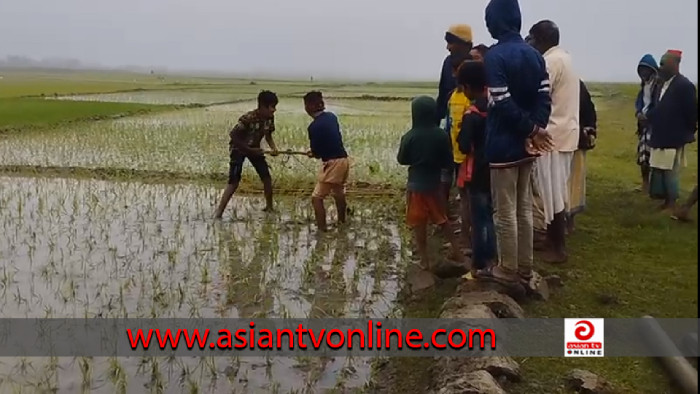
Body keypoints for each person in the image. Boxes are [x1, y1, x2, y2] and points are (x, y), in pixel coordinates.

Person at [476, 0, 553, 287]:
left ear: (497, 21)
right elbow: (545, 97)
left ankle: (507, 268)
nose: (487, 24)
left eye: (489, 19)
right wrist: (535, 130)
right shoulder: (535, 55)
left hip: (502, 142)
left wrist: (530, 128)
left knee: (505, 209)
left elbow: (502, 100)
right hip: (527, 145)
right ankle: (525, 266)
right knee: (523, 206)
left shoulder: (495, 56)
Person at [526, 20, 580, 264]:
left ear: (540, 39)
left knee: (552, 193)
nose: (529, 43)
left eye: (531, 38)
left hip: (552, 136)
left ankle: (558, 248)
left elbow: (539, 96)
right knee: (556, 191)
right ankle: (552, 240)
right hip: (564, 133)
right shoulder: (565, 58)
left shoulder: (550, 62)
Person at [398, 96, 463, 271]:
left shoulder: (410, 136)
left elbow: (402, 159)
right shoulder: (441, 135)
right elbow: (448, 161)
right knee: (442, 219)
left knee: (419, 224)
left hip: (416, 186)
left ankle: (424, 260)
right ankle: (458, 252)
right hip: (435, 185)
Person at [455, 60, 497, 277]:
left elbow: (463, 145)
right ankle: (494, 259)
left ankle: (480, 264)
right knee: (493, 215)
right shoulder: (494, 105)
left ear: (468, 87)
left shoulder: (472, 113)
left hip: (477, 170)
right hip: (497, 167)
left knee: (479, 218)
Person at [214, 90, 279, 218]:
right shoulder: (248, 118)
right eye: (272, 107)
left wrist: (273, 148)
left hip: (254, 148)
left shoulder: (269, 118)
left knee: (266, 177)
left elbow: (268, 135)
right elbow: (233, 135)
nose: (274, 110)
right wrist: (249, 150)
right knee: (234, 182)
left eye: (275, 107)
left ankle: (269, 207)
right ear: (262, 106)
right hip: (238, 149)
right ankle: (218, 213)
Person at [647, 50, 698, 211]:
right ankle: (665, 200)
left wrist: (687, 132)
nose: (660, 66)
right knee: (659, 168)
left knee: (670, 170)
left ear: (675, 64)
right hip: (659, 133)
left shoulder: (685, 85)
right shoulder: (661, 84)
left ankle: (672, 202)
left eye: (664, 63)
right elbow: (658, 107)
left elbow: (691, 113)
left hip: (674, 135)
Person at [303, 91, 350, 232]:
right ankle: (342, 222)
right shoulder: (331, 117)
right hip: (344, 160)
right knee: (338, 192)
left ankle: (321, 230)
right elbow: (330, 140)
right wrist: (317, 152)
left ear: (310, 106)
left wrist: (313, 153)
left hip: (332, 163)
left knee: (316, 198)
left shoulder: (313, 127)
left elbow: (317, 153)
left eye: (305, 105)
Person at [445, 52, 474, 243]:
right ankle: (466, 233)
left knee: (467, 197)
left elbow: (448, 125)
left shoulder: (454, 97)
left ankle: (466, 233)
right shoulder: (465, 98)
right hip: (466, 154)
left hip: (460, 153)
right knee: (468, 197)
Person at [567, 79, 597, 234]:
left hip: (576, 140)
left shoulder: (577, 85)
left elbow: (588, 110)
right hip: (558, 141)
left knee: (574, 181)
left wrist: (588, 130)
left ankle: (569, 220)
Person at [436, 24, 474, 125]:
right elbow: (442, 96)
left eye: (451, 42)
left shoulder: (477, 66)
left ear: (465, 45)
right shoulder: (448, 63)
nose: (448, 47)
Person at [634, 54, 660, 193]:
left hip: (653, 125)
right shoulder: (644, 85)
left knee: (653, 156)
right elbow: (640, 102)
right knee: (643, 155)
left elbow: (657, 104)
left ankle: (654, 186)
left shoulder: (657, 85)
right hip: (643, 125)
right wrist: (638, 113)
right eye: (641, 70)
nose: (643, 73)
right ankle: (645, 184)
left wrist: (648, 116)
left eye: (645, 70)